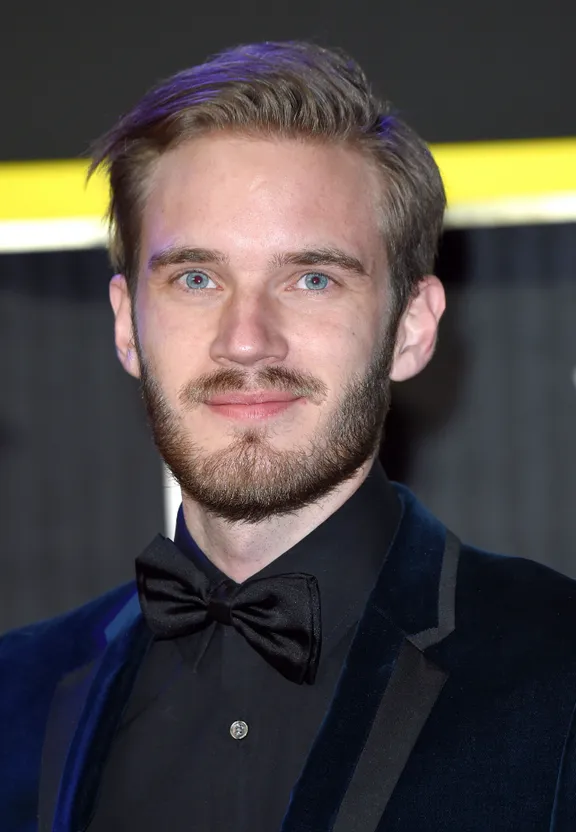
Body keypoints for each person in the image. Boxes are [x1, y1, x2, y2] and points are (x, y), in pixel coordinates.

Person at [2, 40, 576, 832]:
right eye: (195, 279)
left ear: (411, 327)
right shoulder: (14, 693)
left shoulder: (560, 668)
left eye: (312, 279)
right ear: (127, 327)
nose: (246, 340)